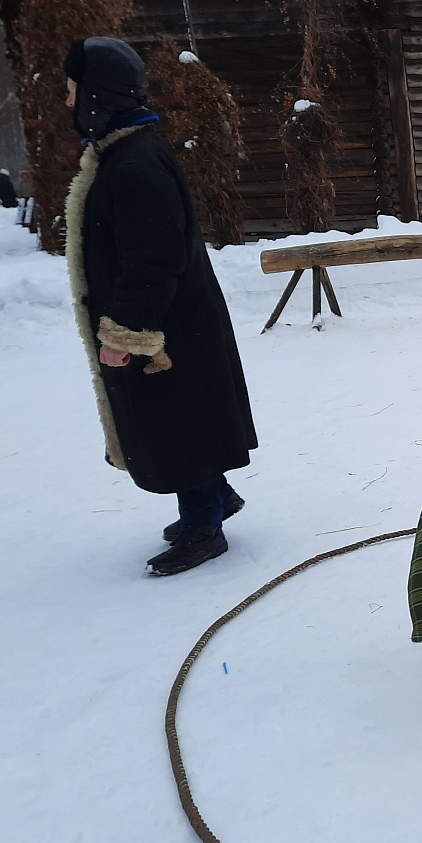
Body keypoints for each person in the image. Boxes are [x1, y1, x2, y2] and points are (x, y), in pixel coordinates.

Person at [63, 36, 257, 577]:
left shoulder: (134, 165)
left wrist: (125, 333)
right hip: (176, 323)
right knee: (178, 420)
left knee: (176, 428)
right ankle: (215, 497)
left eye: (71, 89)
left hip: (169, 330)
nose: (66, 101)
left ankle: (203, 526)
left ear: (96, 96)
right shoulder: (126, 155)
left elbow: (152, 258)